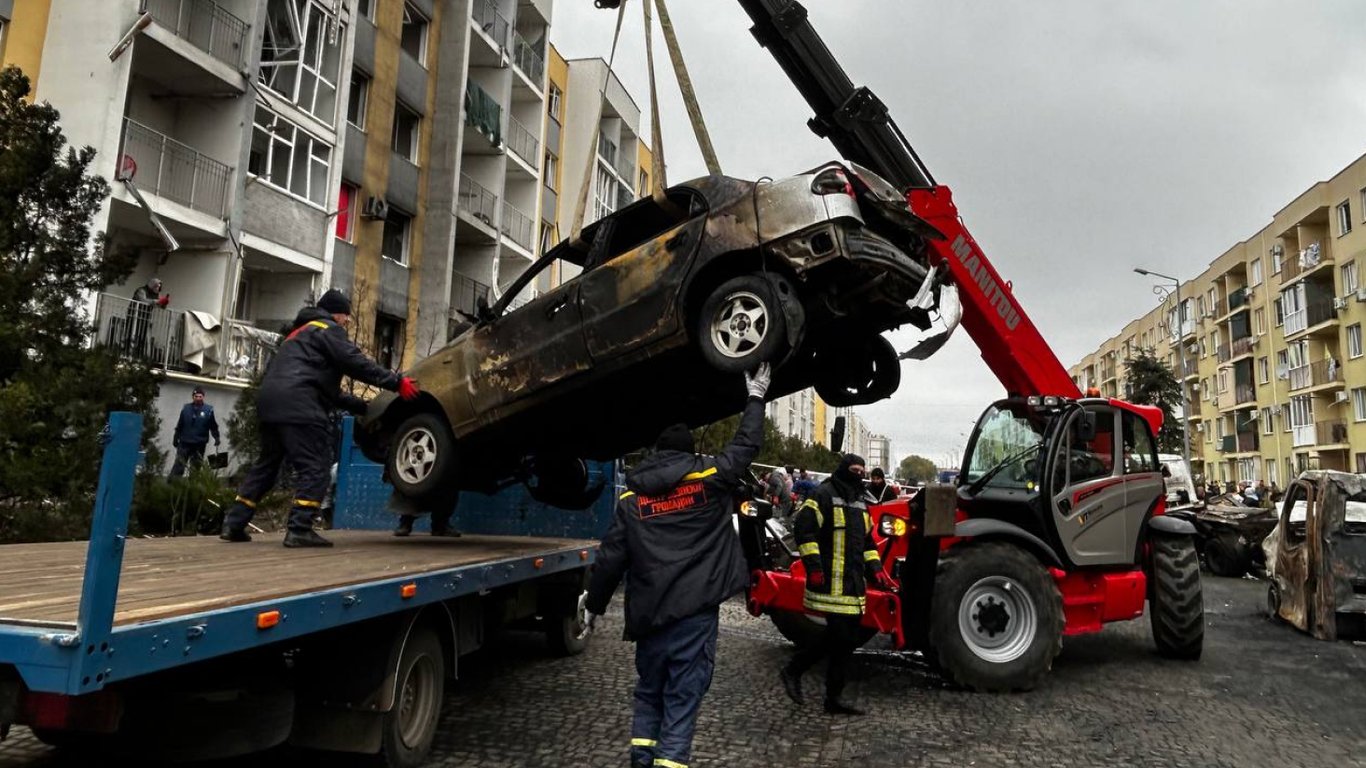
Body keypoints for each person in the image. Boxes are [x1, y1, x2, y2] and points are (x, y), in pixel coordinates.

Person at [584, 363, 772, 768]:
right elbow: (745, 446)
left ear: (655, 455)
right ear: (689, 454)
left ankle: (640, 759)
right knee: (682, 700)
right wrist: (755, 397)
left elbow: (610, 560)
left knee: (649, 692)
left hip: (649, 619)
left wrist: (595, 606)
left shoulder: (631, 502)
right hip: (694, 616)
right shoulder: (708, 482)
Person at [221, 289, 420, 548]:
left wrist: (363, 406)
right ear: (336, 314)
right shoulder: (327, 329)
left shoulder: (296, 336)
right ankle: (299, 528)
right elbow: (354, 362)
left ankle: (234, 523)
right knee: (315, 465)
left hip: (271, 403)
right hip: (300, 405)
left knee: (267, 466)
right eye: (346, 316)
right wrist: (396, 382)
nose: (347, 322)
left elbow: (326, 389)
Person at [780, 453, 894, 716]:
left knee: (846, 641)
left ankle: (832, 699)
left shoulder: (860, 502)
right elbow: (804, 531)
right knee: (840, 637)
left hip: (853, 586)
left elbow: (866, 543)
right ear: (843, 469)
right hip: (830, 582)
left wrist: (876, 569)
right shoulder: (823, 494)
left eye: (862, 470)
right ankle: (794, 670)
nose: (860, 474)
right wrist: (814, 568)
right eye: (855, 469)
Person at [169, 386, 220, 478]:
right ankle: (172, 486)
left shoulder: (208, 410)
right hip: (185, 443)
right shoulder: (186, 409)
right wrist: (176, 437)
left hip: (199, 443)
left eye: (200, 396)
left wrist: (216, 437)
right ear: (193, 397)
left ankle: (192, 489)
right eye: (196, 396)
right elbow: (180, 424)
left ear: (203, 397)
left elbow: (213, 425)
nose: (198, 398)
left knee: (195, 469)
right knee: (178, 466)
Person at [126, 277, 169, 355]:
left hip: (145, 318)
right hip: (134, 316)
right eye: (156, 286)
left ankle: (138, 355)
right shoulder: (141, 290)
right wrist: (156, 301)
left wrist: (164, 302)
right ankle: (127, 353)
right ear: (152, 285)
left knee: (142, 337)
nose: (158, 288)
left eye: (159, 287)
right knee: (131, 334)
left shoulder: (156, 294)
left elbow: (161, 305)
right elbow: (143, 301)